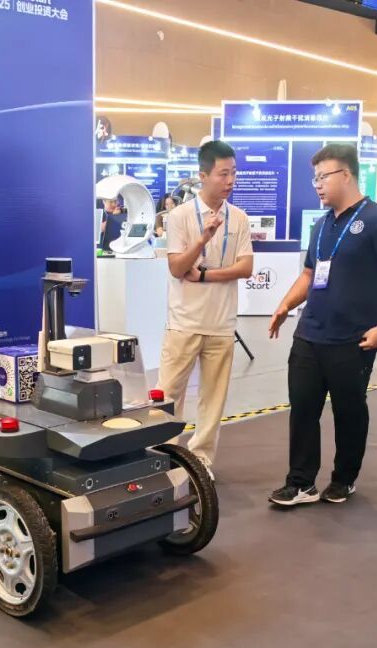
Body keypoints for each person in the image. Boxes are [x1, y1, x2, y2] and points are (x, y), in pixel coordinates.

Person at [267, 143, 377, 506]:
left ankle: (344, 478)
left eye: (323, 177)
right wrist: (285, 304)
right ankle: (300, 482)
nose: (317, 184)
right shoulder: (321, 225)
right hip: (310, 333)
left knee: (349, 412)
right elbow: (309, 274)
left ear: (346, 175)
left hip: (354, 338)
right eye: (314, 178)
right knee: (303, 409)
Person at [157, 140, 253, 479]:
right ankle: (165, 457)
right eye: (223, 174)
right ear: (203, 175)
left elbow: (246, 268)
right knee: (168, 394)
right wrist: (202, 238)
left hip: (221, 323)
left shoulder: (239, 218)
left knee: (213, 400)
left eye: (233, 173)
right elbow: (176, 267)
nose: (230, 181)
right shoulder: (180, 216)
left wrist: (205, 275)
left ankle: (201, 461)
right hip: (184, 322)